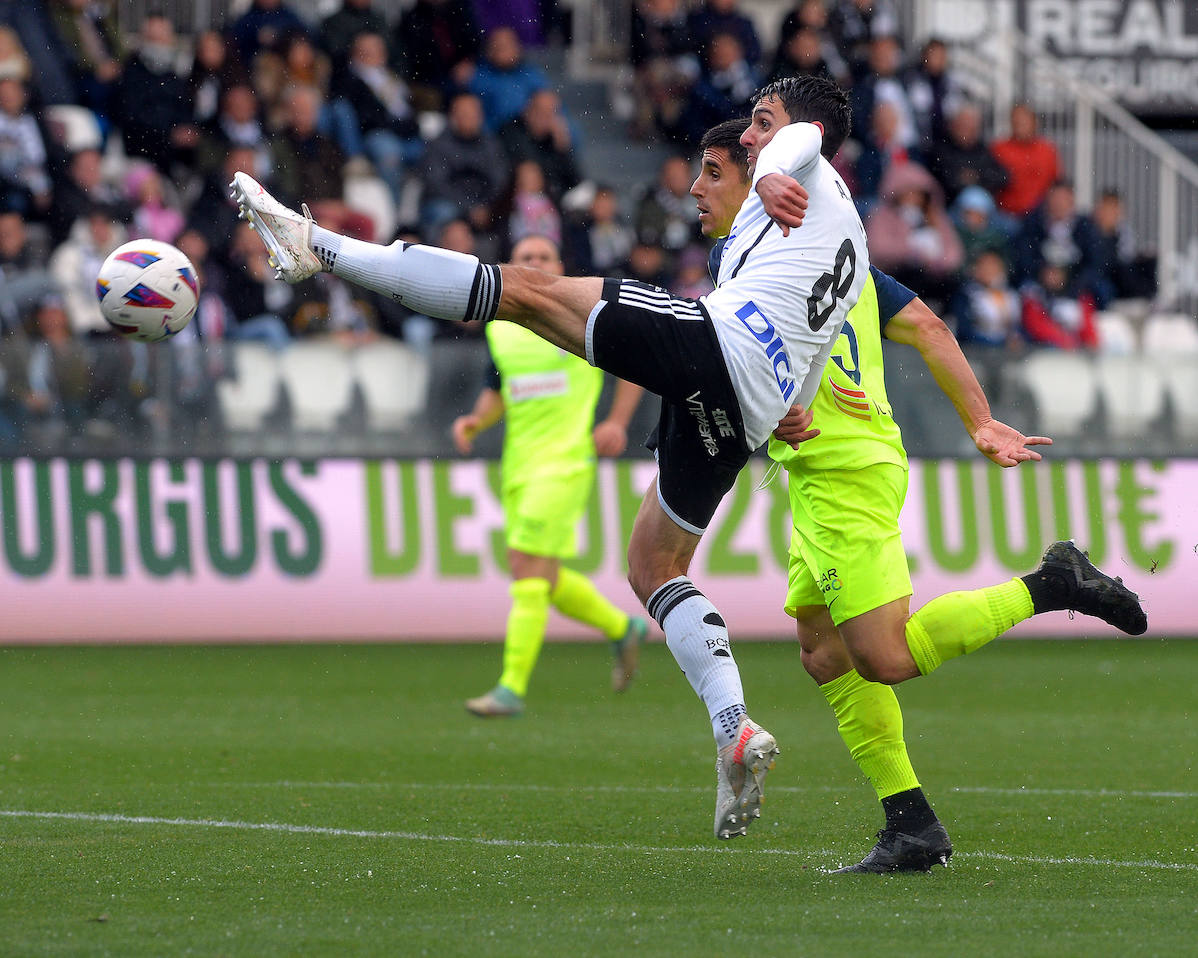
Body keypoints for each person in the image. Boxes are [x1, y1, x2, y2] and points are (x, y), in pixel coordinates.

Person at [233, 75, 871, 840]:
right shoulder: (848, 236)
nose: (749, 140)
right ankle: (734, 727)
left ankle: (319, 247)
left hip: (715, 349)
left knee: (526, 292)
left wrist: (771, 167)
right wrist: (790, 405)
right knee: (653, 564)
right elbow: (829, 324)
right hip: (750, 403)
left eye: (759, 126)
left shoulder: (796, 164)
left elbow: (799, 142)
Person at [689, 117, 1147, 873]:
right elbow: (926, 325)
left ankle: (1051, 583)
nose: (698, 190)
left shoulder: (779, 255)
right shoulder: (830, 253)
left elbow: (912, 331)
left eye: (714, 173)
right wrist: (977, 424)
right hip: (821, 471)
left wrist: (979, 424)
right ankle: (911, 824)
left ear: (761, 179)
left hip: (843, 468)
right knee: (822, 650)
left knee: (886, 657)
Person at [453, 235, 648, 717]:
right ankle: (623, 628)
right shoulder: (500, 327)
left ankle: (511, 688)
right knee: (544, 575)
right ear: (510, 267)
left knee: (526, 569)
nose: (536, 263)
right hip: (518, 467)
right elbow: (497, 387)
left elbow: (635, 367)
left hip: (565, 463)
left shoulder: (580, 315)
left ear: (560, 267)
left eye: (544, 257)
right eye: (526, 258)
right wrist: (476, 421)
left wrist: (617, 422)